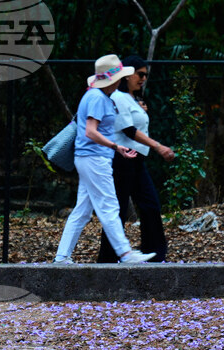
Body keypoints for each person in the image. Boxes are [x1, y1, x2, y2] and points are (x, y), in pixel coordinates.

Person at [53, 55, 156, 265]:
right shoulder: (97, 98)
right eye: (119, 77)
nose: (121, 81)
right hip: (94, 158)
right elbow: (91, 131)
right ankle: (126, 254)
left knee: (82, 211)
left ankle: (62, 257)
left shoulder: (99, 97)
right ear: (114, 80)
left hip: (91, 158)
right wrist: (115, 146)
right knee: (109, 206)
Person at [97, 55, 175, 263]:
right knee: (119, 209)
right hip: (123, 158)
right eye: (140, 74)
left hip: (136, 160)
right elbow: (129, 130)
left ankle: (154, 253)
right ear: (127, 74)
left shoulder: (133, 99)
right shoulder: (118, 97)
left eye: (145, 76)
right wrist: (159, 147)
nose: (143, 79)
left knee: (150, 204)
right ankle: (108, 257)